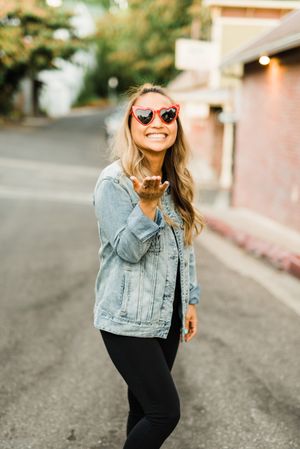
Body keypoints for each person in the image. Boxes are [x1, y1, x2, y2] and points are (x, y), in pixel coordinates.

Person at [92, 83, 205, 449]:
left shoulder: (178, 180)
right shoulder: (115, 182)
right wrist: (146, 206)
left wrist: (189, 301)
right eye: (146, 115)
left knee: (142, 408)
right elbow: (127, 251)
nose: (158, 122)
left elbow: (184, 249)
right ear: (131, 123)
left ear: (176, 122)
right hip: (127, 320)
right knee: (164, 412)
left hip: (165, 318)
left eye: (167, 114)